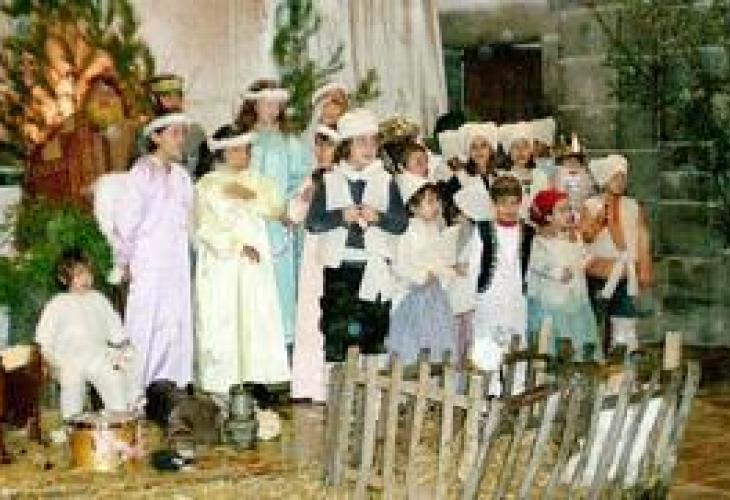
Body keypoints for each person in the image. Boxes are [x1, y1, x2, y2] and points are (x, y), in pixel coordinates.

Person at [306, 108, 408, 362]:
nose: (369, 148)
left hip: (374, 267)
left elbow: (401, 223)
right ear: (346, 146)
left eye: (373, 141)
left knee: (373, 332)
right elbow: (313, 223)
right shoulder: (330, 181)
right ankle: (337, 379)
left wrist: (379, 217)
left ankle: (370, 381)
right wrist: (340, 216)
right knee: (339, 331)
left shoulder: (386, 181)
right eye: (361, 141)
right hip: (341, 268)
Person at [195, 124, 290, 395]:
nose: (243, 155)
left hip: (254, 264)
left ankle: (256, 380)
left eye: (246, 150)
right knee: (224, 318)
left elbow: (275, 207)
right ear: (222, 153)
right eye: (236, 150)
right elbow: (205, 225)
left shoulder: (257, 180)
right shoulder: (207, 184)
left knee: (255, 316)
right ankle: (222, 383)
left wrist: (252, 195)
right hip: (223, 264)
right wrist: (236, 245)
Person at [113, 112, 194, 391]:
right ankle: (135, 389)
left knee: (175, 321)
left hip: (176, 260)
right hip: (148, 260)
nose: (181, 140)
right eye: (175, 133)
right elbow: (126, 221)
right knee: (145, 321)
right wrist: (123, 261)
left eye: (183, 133)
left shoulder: (182, 176)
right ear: (156, 137)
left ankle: (170, 388)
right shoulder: (142, 172)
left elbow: (189, 220)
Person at [236, 79, 312, 352]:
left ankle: (282, 346)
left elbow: (302, 181)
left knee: (281, 282)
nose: (273, 109)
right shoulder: (243, 140)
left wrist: (294, 207)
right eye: (266, 104)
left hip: (280, 224)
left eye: (277, 104)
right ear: (253, 105)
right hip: (250, 223)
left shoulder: (290, 142)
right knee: (252, 282)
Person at [35, 249, 139, 420]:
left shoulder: (99, 300)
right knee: (72, 385)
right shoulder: (57, 304)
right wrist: (51, 363)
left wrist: (123, 351)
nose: (85, 279)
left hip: (98, 357)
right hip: (68, 362)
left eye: (88, 273)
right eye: (78, 275)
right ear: (63, 279)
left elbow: (116, 329)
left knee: (114, 379)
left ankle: (120, 420)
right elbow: (44, 339)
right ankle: (71, 424)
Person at [469, 175, 534, 395]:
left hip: (516, 296)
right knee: (487, 340)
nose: (509, 209)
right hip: (489, 295)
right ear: (493, 204)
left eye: (514, 203)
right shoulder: (483, 230)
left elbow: (531, 265)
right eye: (503, 203)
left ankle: (516, 389)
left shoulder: (528, 232)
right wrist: (472, 297)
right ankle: (489, 392)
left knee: (516, 340)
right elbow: (473, 266)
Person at [581, 155, 653, 353]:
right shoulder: (591, 205)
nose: (620, 182)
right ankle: (594, 358)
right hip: (599, 273)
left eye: (623, 178)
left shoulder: (633, 205)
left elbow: (642, 237)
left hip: (625, 274)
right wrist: (598, 221)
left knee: (624, 319)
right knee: (596, 320)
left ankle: (623, 359)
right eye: (615, 177)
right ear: (604, 179)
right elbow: (585, 237)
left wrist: (645, 268)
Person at [290, 124, 339, 403]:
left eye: (327, 145)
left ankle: (334, 382)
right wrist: (304, 198)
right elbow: (293, 214)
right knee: (311, 313)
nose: (321, 151)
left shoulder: (345, 177)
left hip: (337, 252)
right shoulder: (312, 178)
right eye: (318, 145)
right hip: (313, 254)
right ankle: (309, 384)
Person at [388, 178, 459, 364]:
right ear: (413, 207)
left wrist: (449, 271)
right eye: (429, 202)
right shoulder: (407, 230)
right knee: (414, 342)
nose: (436, 206)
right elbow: (399, 264)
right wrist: (422, 275)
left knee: (439, 338)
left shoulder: (435, 229)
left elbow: (438, 259)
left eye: (437, 201)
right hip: (412, 295)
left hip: (434, 295)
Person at [527, 189, 602, 362]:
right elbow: (537, 264)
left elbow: (584, 259)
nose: (569, 214)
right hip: (552, 307)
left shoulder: (574, 238)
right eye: (562, 210)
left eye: (569, 209)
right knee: (553, 348)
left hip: (577, 304)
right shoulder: (539, 242)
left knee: (581, 346)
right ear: (548, 217)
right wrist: (557, 271)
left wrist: (584, 258)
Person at [143, 74, 209, 180]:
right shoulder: (144, 133)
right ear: (155, 102)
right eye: (167, 97)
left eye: (178, 96)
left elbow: (205, 171)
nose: (174, 101)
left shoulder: (196, 132)